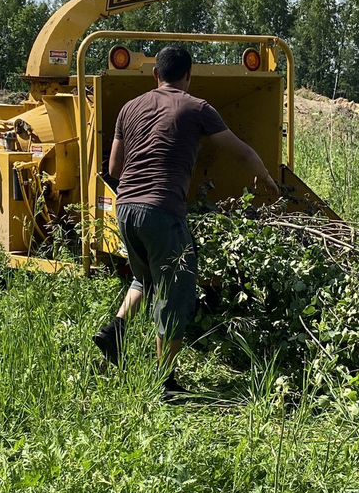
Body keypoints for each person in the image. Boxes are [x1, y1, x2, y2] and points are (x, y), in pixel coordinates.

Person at [93, 45, 278, 399]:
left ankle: (114, 331)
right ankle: (164, 383)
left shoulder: (129, 108)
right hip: (162, 209)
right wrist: (267, 181)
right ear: (189, 77)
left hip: (126, 206)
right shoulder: (197, 107)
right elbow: (241, 150)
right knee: (177, 293)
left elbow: (114, 169)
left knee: (145, 277)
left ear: (155, 75)